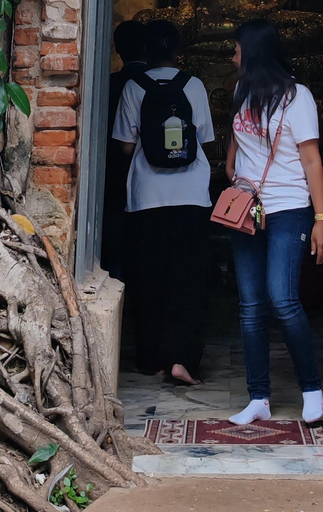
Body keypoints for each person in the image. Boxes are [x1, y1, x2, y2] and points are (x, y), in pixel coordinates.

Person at [225, 19, 323, 425]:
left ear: (252, 52)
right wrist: (237, 176)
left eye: (236, 49)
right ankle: (259, 398)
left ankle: (312, 389)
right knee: (250, 306)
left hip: (289, 208)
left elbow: (311, 160)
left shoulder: (297, 97)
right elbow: (235, 148)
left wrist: (321, 219)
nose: (233, 56)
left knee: (282, 300)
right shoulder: (241, 91)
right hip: (248, 209)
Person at [112, 19, 214, 385]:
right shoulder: (195, 85)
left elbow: (125, 145)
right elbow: (203, 138)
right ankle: (182, 359)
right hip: (190, 195)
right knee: (187, 279)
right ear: (177, 50)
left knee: (148, 278)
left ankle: (151, 358)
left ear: (145, 51)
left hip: (146, 198)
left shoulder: (133, 86)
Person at [102, 21, 148, 280]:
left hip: (111, 168)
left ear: (117, 49)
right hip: (153, 173)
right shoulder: (165, 84)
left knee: (115, 230)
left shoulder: (108, 84)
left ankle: (116, 274)